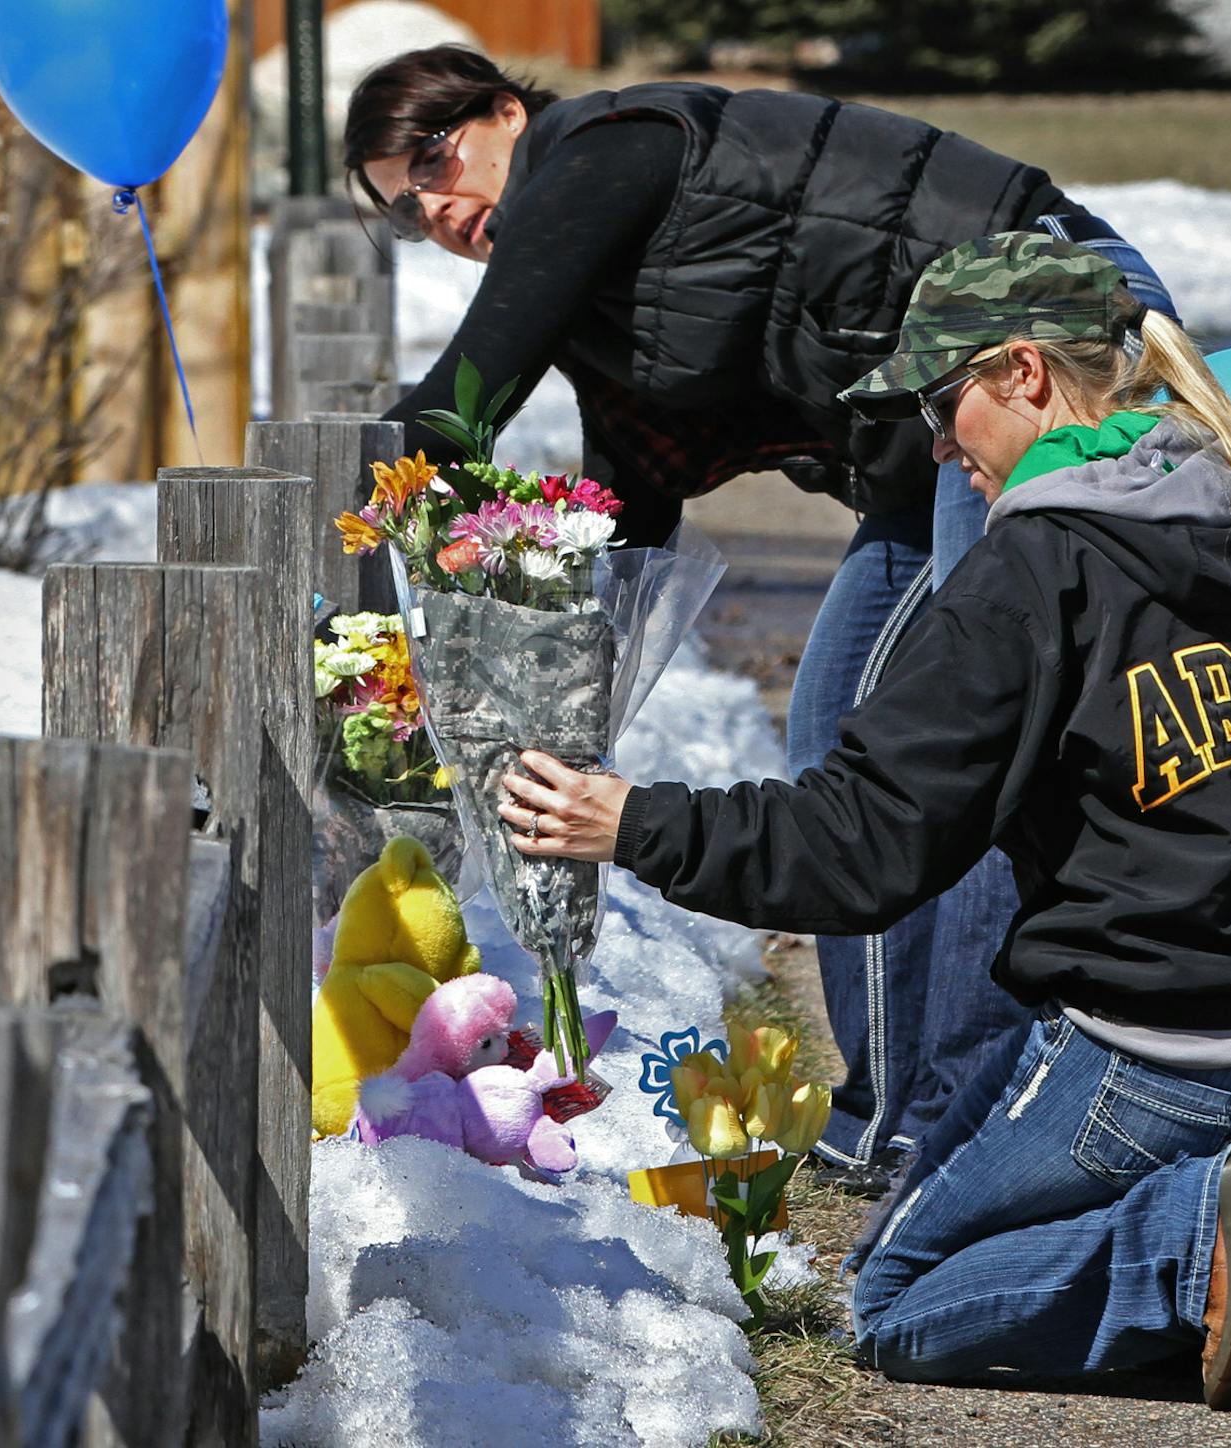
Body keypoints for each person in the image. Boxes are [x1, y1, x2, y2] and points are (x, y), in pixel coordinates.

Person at [492, 232, 1231, 1410]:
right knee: (1056, 1164)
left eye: (946, 406)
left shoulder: (1035, 569)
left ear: (1025, 374)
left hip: (1159, 1065)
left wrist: (632, 821)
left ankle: (1217, 1241)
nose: (942, 450)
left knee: (901, 1295)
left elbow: (866, 845)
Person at [344, 46, 1183, 1184]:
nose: (436, 208)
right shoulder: (596, 284)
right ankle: (899, 1099)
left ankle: (972, 1108)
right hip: (930, 425)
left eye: (436, 161)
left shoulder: (594, 152)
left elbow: (466, 397)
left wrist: (336, 493)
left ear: (506, 112)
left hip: (1037, 325)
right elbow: (627, 494)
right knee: (842, 727)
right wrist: (540, 674)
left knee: (988, 733)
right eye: (403, 207)